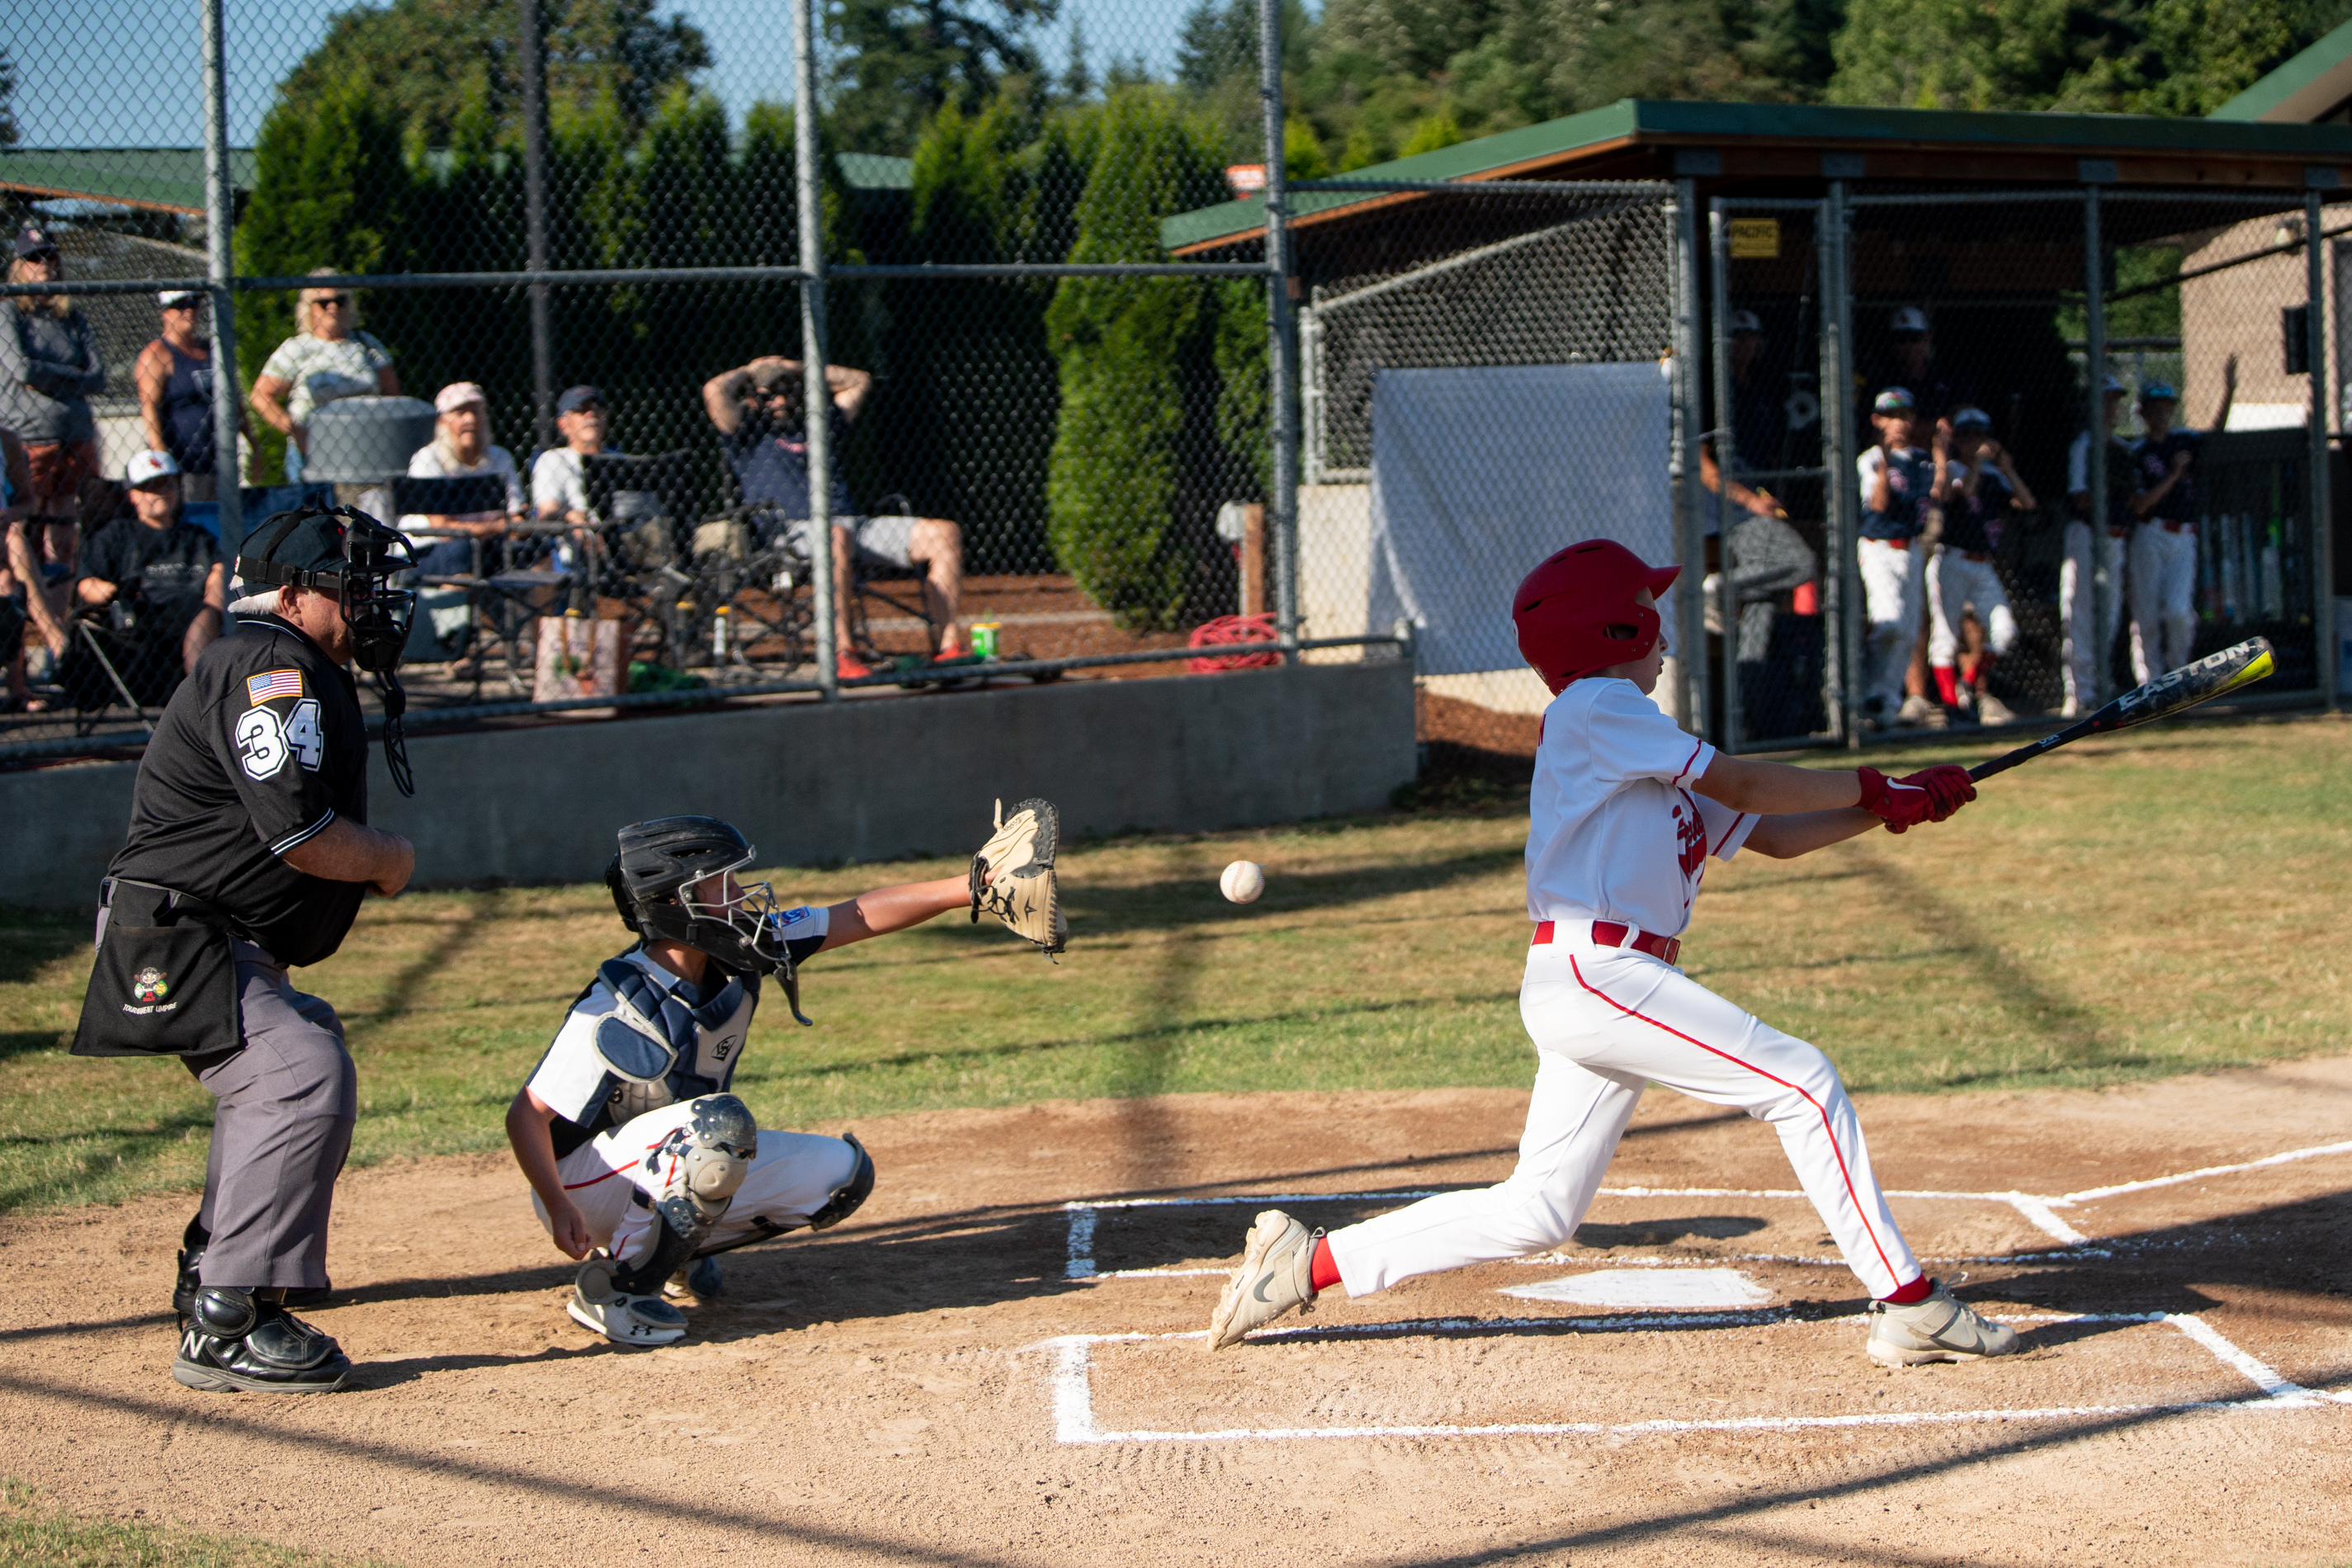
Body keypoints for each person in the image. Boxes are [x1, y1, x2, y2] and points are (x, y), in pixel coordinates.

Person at [1207, 540, 2016, 1370]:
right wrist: (1872, 785)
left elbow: (1770, 831)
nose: (1662, 634)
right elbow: (1743, 785)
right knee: (1805, 1084)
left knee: (1540, 1210)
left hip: (1602, 980)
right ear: (1612, 626)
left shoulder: (1640, 741)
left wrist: (1894, 807)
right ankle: (1908, 1302)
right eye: (1647, 613)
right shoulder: (1597, 708)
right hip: (1602, 972)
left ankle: (1310, 1261)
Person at [69, 503, 422, 1394]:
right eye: (355, 586)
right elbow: (296, 831)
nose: (375, 603)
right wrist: (388, 859)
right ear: (297, 595)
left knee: (300, 1044)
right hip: (177, 930)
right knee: (296, 1070)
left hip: (205, 930)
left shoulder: (287, 659)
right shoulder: (270, 663)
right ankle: (227, 1319)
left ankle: (219, 1266)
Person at [507, 805, 1063, 1345]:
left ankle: (668, 1249)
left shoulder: (739, 945)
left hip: (665, 1156)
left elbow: (855, 915)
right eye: (719, 884)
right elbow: (526, 1115)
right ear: (674, 902)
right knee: (719, 1129)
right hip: (582, 1182)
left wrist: (972, 886)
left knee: (841, 1177)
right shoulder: (617, 1003)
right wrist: (558, 1207)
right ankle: (617, 1288)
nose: (739, 892)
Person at [701, 357, 966, 674]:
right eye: (769, 394)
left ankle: (948, 647)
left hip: (854, 525)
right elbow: (714, 390)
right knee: (835, 537)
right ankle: (843, 654)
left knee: (944, 534)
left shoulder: (820, 423)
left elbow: (859, 380)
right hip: (791, 533)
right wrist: (751, 370)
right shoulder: (745, 434)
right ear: (752, 399)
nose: (780, 400)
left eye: (787, 391)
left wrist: (793, 366)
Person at [1, 226, 105, 664]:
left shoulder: (70, 316)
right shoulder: (9, 311)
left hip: (76, 441)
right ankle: (29, 650)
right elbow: (21, 368)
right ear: (18, 266)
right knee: (23, 540)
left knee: (64, 543)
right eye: (33, 258)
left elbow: (99, 376)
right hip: (29, 440)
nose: (43, 266)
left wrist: (55, 378)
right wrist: (71, 378)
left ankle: (58, 646)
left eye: (48, 257)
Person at [63, 451, 227, 708]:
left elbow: (220, 570)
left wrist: (214, 597)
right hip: (142, 616)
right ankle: (201, 700)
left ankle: (201, 697)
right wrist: (114, 592)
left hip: (194, 612)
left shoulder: (197, 537)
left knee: (209, 602)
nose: (159, 493)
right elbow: (86, 584)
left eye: (166, 484)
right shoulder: (116, 534)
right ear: (132, 495)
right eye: (149, 487)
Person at [2128, 361, 2236, 683]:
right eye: (2155, 409)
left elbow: (2214, 432)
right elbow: (2141, 504)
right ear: (2144, 413)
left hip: (2183, 535)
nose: (2162, 415)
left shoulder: (2183, 440)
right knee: (2146, 613)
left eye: (2167, 408)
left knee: (2178, 612)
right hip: (2151, 532)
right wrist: (2175, 474)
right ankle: (2149, 682)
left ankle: (2176, 676)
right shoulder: (2137, 451)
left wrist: (2229, 392)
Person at [1928, 408, 2033, 726]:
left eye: (1980, 435)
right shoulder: (1957, 468)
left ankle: (1968, 683)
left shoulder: (1995, 475)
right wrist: (1976, 461)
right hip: (1952, 558)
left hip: (1983, 563)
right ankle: (1951, 708)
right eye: (1968, 436)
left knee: (2004, 632)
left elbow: (2028, 503)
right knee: (1945, 635)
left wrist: (2008, 469)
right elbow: (1967, 490)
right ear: (1958, 440)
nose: (1975, 442)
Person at [249, 271, 399, 483]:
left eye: (340, 301)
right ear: (309, 308)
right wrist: (296, 432)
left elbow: (393, 396)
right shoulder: (297, 347)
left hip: (367, 449)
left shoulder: (366, 344)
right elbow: (260, 395)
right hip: (316, 453)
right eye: (324, 302)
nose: (333, 307)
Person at [1857, 388, 1948, 729]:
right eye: (1892, 416)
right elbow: (1878, 504)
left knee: (1908, 631)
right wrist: (1883, 462)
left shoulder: (1920, 460)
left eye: (1905, 415)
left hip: (1910, 548)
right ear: (1878, 421)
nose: (1900, 423)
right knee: (1889, 621)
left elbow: (1939, 494)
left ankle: (1887, 702)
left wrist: (1941, 453)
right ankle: (1867, 692)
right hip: (1879, 546)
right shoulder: (1870, 458)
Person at [2062, 375, 2136, 717]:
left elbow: (2135, 501)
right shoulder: (2084, 445)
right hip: (2087, 536)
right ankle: (2079, 693)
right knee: (2080, 614)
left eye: (2114, 400)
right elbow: (2079, 498)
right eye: (2103, 400)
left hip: (2116, 538)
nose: (2110, 407)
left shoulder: (2122, 448)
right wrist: (2108, 490)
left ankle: (2100, 687)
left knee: (2110, 616)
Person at [403, 382, 527, 576]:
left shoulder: (501, 457)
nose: (470, 419)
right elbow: (441, 529)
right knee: (463, 551)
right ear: (443, 421)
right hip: (426, 551)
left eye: (476, 412)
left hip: (486, 545)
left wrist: (496, 528)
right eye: (460, 413)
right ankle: (464, 605)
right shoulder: (427, 460)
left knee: (538, 549)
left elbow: (516, 518)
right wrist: (494, 526)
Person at [135, 289, 240, 503]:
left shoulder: (211, 349)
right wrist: (162, 458)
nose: (189, 311)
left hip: (221, 458)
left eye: (193, 305)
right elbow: (149, 408)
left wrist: (253, 442)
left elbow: (235, 400)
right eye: (180, 306)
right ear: (164, 312)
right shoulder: (157, 354)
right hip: (185, 463)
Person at [531, 385, 625, 526]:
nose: (591, 414)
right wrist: (571, 516)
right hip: (578, 539)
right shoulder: (553, 460)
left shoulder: (620, 461)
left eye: (596, 408)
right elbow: (547, 510)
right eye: (581, 410)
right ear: (563, 425)